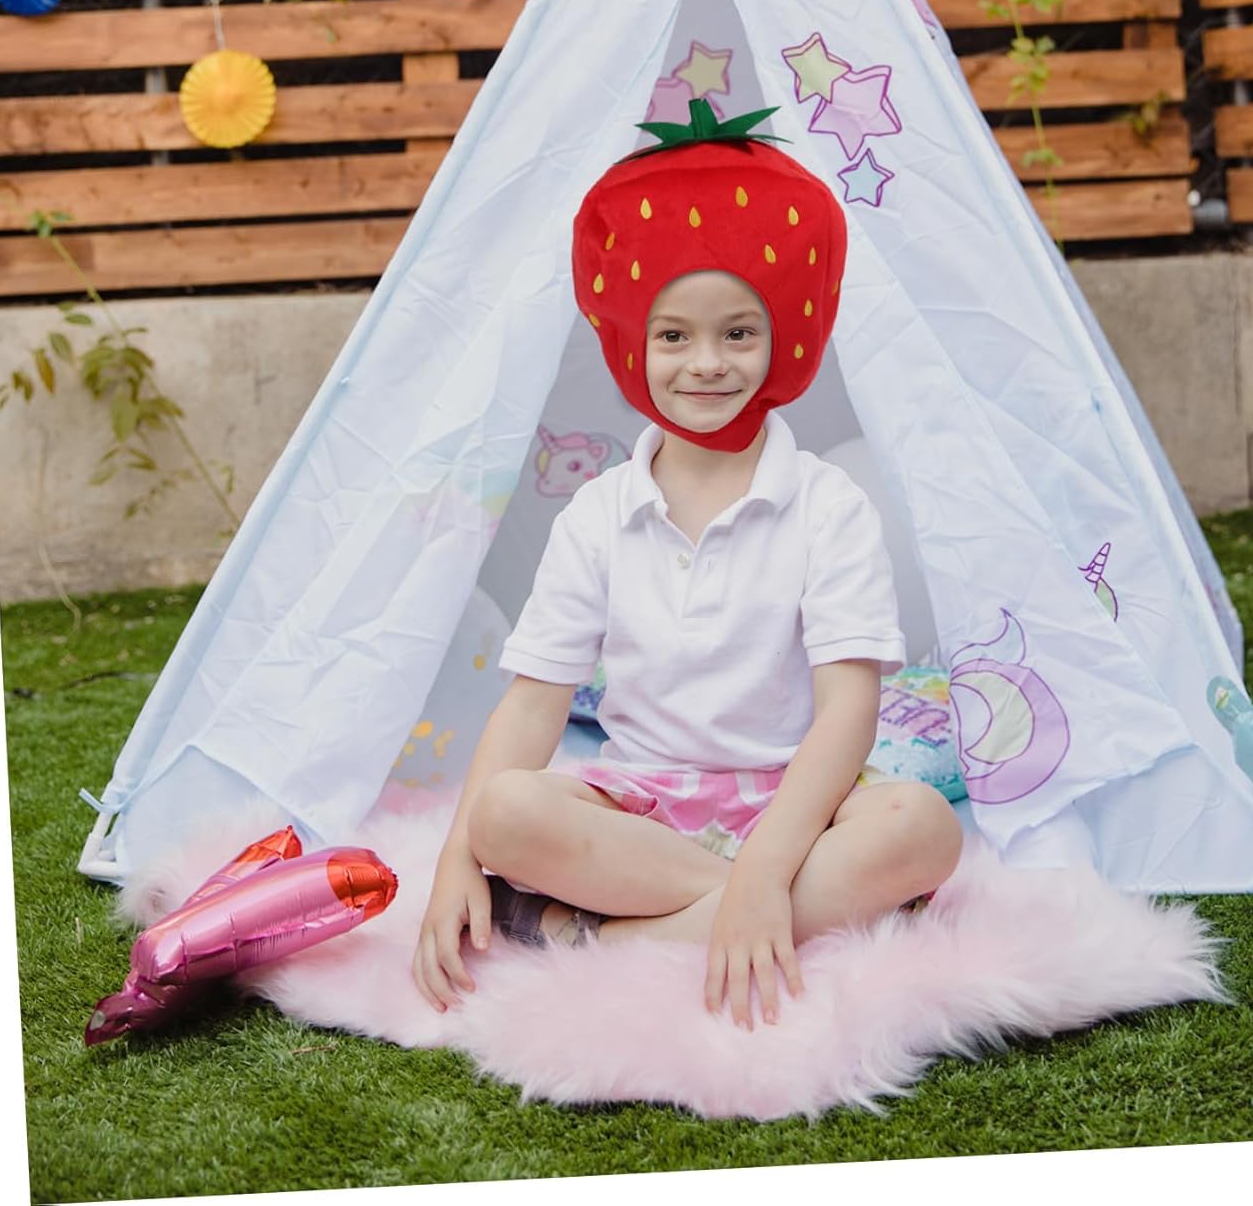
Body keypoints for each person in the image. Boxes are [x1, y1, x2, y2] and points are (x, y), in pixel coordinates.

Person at [412, 108, 963, 1029]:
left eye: (738, 334)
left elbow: (848, 711)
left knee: (923, 829)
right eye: (673, 337)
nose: (706, 364)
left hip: (796, 804)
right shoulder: (598, 513)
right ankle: (754, 916)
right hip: (645, 808)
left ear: (784, 337)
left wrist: (768, 866)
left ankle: (609, 941)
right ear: (632, 341)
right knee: (502, 812)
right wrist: (453, 865)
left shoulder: (827, 504)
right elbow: (535, 704)